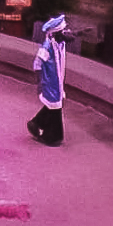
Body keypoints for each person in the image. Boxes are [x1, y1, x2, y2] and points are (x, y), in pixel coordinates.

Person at [28, 15, 70, 146]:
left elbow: (70, 35)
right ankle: (52, 137)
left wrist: (80, 33)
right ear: (55, 33)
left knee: (54, 105)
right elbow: (37, 65)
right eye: (62, 31)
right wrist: (40, 83)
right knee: (55, 107)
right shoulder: (46, 47)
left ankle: (37, 122)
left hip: (57, 82)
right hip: (49, 83)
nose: (64, 33)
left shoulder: (59, 43)